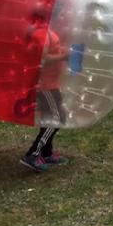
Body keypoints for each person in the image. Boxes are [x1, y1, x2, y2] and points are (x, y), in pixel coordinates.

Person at [20, 19, 71, 172]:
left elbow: (50, 50)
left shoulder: (46, 30)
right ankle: (33, 154)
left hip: (51, 83)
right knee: (57, 119)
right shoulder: (40, 33)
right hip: (45, 86)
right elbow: (40, 59)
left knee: (49, 118)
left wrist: (62, 50)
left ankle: (46, 153)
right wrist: (63, 57)